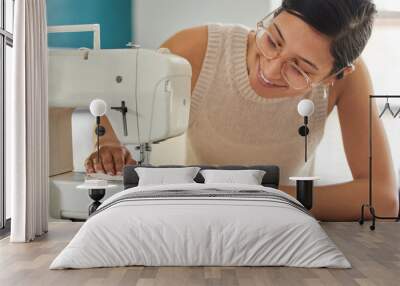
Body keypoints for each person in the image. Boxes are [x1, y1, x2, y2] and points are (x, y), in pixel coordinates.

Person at [84, 0, 399, 220]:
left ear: (334, 76)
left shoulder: (348, 82)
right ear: (275, 14)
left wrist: (256, 192)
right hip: (199, 216)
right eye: (274, 41)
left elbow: (382, 199)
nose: (271, 69)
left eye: (299, 68)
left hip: (281, 223)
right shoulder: (198, 49)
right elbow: (115, 92)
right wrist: (109, 143)